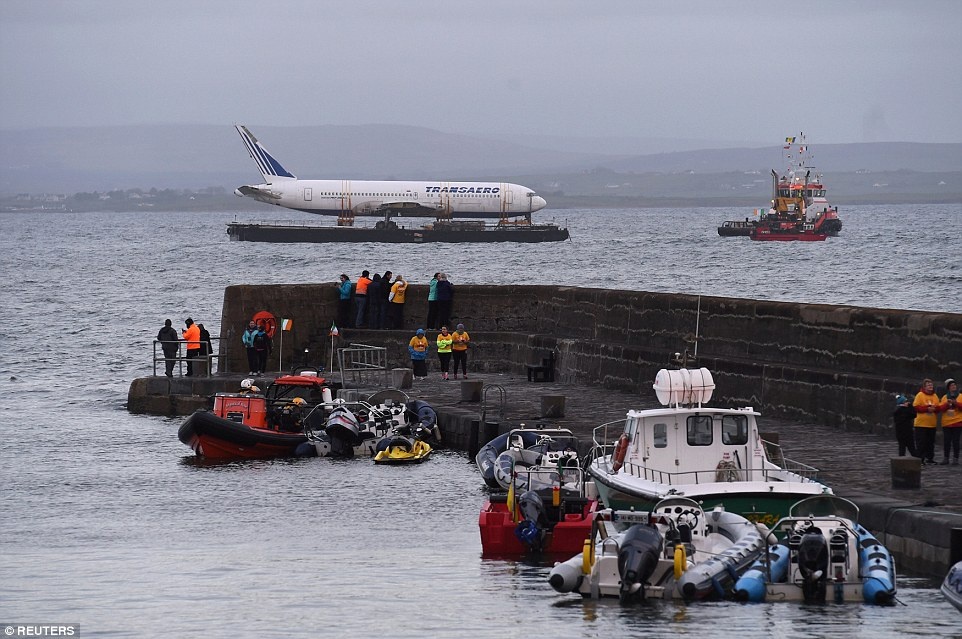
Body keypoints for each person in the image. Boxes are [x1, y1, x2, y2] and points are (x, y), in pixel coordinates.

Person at [913, 378, 942, 465]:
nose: (930, 386)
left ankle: (930, 458)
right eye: (929, 385)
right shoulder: (920, 395)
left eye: (931, 385)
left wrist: (934, 409)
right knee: (921, 443)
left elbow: (938, 408)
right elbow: (916, 407)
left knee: (930, 443)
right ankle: (920, 459)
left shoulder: (935, 396)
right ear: (924, 387)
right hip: (921, 424)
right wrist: (927, 409)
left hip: (931, 424)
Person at [939, 378, 961, 465]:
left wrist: (956, 403)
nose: (954, 386)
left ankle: (955, 459)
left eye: (954, 385)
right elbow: (941, 408)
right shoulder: (944, 397)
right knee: (947, 441)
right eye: (952, 385)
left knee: (956, 441)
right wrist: (947, 404)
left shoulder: (960, 396)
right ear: (948, 387)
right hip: (947, 423)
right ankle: (946, 458)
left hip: (957, 422)